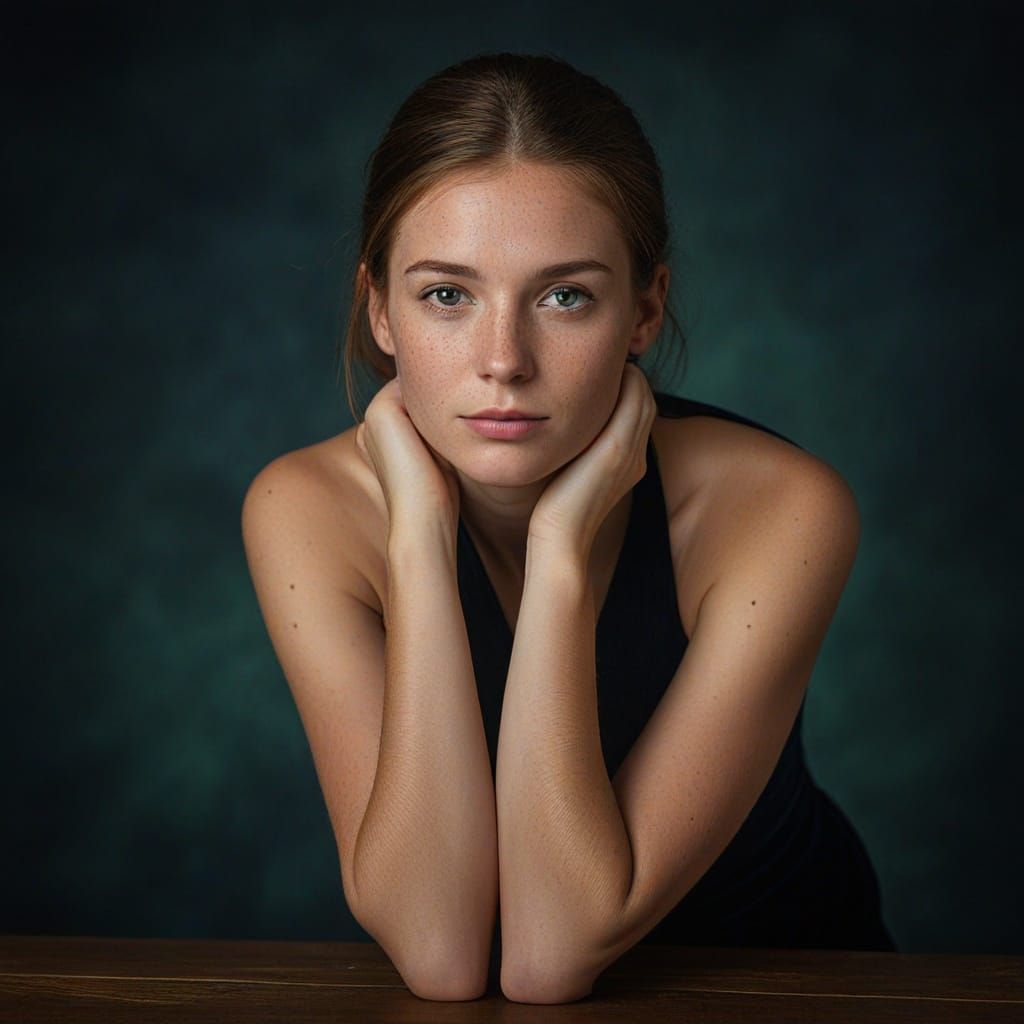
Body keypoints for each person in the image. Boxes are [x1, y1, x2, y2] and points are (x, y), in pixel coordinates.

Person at [241, 52, 895, 1006]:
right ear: (379, 308)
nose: (504, 360)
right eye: (447, 295)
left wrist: (560, 555)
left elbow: (552, 956)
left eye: (564, 296)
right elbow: (440, 954)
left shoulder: (781, 508)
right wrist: (419, 535)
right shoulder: (305, 509)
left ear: (644, 310)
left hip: (791, 989)